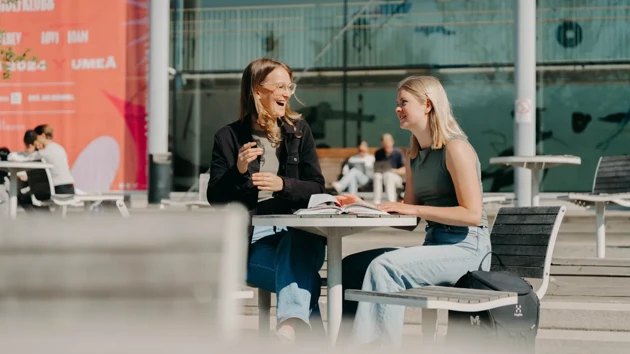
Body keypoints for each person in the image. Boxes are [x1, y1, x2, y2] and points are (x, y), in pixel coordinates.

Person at [338, 75, 491, 347]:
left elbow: (472, 214)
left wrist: (411, 207)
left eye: (403, 103)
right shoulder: (413, 156)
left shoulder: (456, 148)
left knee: (384, 268)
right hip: (435, 246)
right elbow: (410, 220)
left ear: (428, 105)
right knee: (351, 268)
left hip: (468, 250)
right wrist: (365, 208)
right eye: (397, 103)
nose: (397, 109)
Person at [206, 58, 326, 344]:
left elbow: (318, 188)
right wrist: (237, 172)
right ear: (258, 90)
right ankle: (297, 332)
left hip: (298, 234)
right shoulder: (228, 137)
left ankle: (289, 333)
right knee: (303, 280)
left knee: (296, 242)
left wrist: (283, 184)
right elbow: (215, 198)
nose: (287, 93)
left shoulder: (299, 131)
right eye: (280, 87)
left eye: (289, 86)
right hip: (253, 240)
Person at [8, 125, 75, 194]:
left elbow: (25, 159)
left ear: (43, 135)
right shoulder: (59, 148)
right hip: (69, 186)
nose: (35, 141)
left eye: (36, 137)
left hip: (58, 188)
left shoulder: (45, 152)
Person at [372, 133, 405, 204]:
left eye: (388, 144)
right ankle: (376, 201)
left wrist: (393, 171)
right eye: (385, 144)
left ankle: (391, 201)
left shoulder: (398, 153)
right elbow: (377, 167)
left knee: (388, 175)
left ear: (392, 142)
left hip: (396, 178)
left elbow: (404, 169)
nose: (387, 146)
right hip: (382, 176)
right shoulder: (379, 153)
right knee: (376, 176)